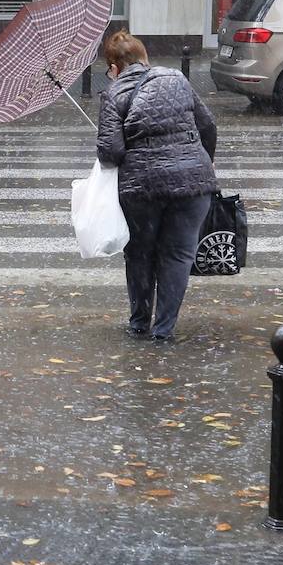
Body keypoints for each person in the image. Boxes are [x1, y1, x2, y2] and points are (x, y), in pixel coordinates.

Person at [96, 31, 216, 342]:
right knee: (177, 255)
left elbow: (111, 153)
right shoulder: (177, 78)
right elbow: (208, 126)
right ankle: (164, 329)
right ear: (144, 56)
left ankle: (139, 324)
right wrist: (200, 166)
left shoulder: (114, 92)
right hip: (193, 186)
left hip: (143, 189)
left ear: (113, 66)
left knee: (140, 254)